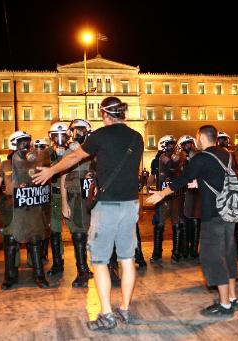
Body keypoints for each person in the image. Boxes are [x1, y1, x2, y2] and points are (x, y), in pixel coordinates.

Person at [33, 96, 143, 330]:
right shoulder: (137, 137)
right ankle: (124, 309)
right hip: (131, 204)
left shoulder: (100, 136)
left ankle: (106, 314)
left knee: (101, 261)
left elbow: (74, 157)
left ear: (104, 114)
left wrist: (51, 171)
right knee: (126, 259)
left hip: (107, 206)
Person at [147, 125, 238, 318]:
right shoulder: (226, 154)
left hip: (213, 214)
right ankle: (231, 297)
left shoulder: (202, 157)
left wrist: (161, 194)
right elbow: (223, 178)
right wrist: (201, 182)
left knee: (212, 257)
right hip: (228, 211)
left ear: (201, 137)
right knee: (227, 254)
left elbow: (182, 179)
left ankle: (224, 305)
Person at [0, 131, 51, 289]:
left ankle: (39, 275)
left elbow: (44, 181)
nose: (26, 146)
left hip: (31, 206)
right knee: (10, 241)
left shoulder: (35, 162)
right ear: (14, 144)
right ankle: (10, 277)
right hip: (12, 208)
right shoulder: (5, 165)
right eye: (23, 142)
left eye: (27, 142)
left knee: (34, 240)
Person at [61, 119, 95, 288]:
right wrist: (64, 203)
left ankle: (111, 269)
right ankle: (82, 271)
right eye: (74, 131)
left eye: (81, 130)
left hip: (94, 198)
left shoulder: (96, 150)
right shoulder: (69, 151)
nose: (78, 134)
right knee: (78, 235)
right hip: (75, 197)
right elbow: (62, 176)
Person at [151, 135, 186, 263]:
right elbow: (154, 176)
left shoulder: (179, 157)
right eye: (169, 144)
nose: (172, 147)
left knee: (177, 223)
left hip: (175, 193)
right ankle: (157, 253)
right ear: (163, 145)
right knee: (159, 223)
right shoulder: (158, 159)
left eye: (173, 144)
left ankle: (176, 253)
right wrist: (148, 186)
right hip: (162, 195)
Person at [46, 122, 70, 278]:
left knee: (78, 231)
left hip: (70, 194)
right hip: (54, 195)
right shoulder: (46, 154)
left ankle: (84, 264)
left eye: (63, 136)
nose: (60, 139)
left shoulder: (74, 151)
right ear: (51, 137)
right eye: (56, 136)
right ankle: (57, 262)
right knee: (55, 231)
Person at [177, 134, 201, 259]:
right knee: (185, 221)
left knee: (196, 220)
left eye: (189, 143)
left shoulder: (197, 156)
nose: (188, 146)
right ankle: (185, 249)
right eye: (185, 144)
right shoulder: (181, 158)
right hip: (184, 192)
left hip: (196, 191)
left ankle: (194, 249)